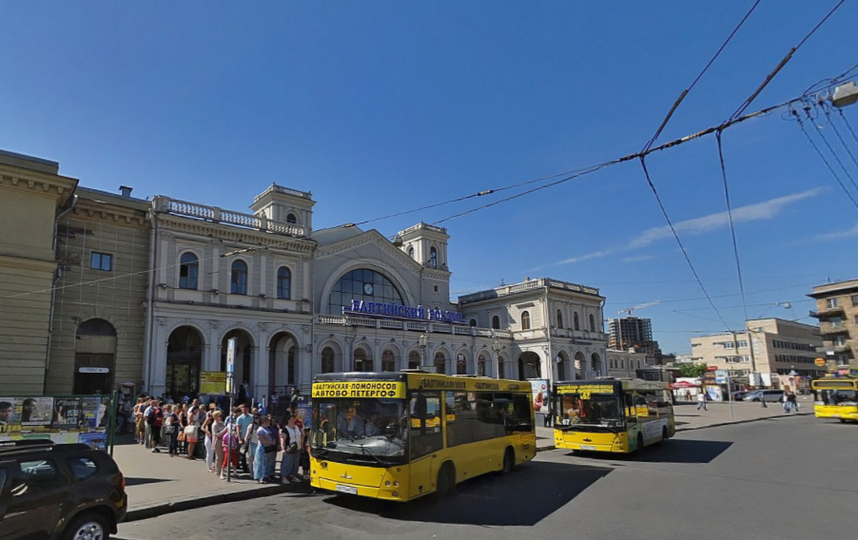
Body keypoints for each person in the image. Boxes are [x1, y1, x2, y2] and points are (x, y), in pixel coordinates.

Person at [280, 413, 303, 483]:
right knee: (287, 463)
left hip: (298, 448)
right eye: (292, 419)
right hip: (289, 449)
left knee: (295, 463)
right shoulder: (285, 429)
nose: (293, 421)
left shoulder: (297, 427)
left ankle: (293, 476)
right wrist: (283, 449)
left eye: (294, 419)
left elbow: (301, 435)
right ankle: (284, 477)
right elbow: (282, 439)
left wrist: (302, 444)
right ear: (288, 420)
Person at [254, 415, 278, 484]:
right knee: (261, 463)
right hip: (262, 448)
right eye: (267, 421)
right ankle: (260, 477)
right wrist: (271, 442)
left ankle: (266, 476)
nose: (269, 422)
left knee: (267, 463)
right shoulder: (260, 429)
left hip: (269, 448)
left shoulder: (267, 428)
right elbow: (262, 440)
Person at [235, 405, 253, 474]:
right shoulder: (240, 418)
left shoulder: (251, 417)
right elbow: (238, 428)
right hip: (242, 437)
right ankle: (245, 468)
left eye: (246, 409)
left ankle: (251, 467)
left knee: (251, 453)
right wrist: (239, 438)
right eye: (243, 409)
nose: (244, 410)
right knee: (242, 453)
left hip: (250, 438)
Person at [212, 411, 228, 478]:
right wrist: (224, 430)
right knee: (219, 457)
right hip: (218, 441)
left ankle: (222, 470)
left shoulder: (221, 423)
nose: (221, 417)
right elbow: (216, 434)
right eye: (219, 416)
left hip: (223, 440)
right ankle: (218, 471)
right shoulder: (214, 425)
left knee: (224, 456)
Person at [201, 404, 216, 472]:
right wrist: (207, 431)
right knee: (209, 452)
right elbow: (202, 427)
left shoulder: (217, 420)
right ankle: (208, 467)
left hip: (215, 437)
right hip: (209, 437)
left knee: (213, 453)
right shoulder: (209, 419)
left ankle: (212, 465)